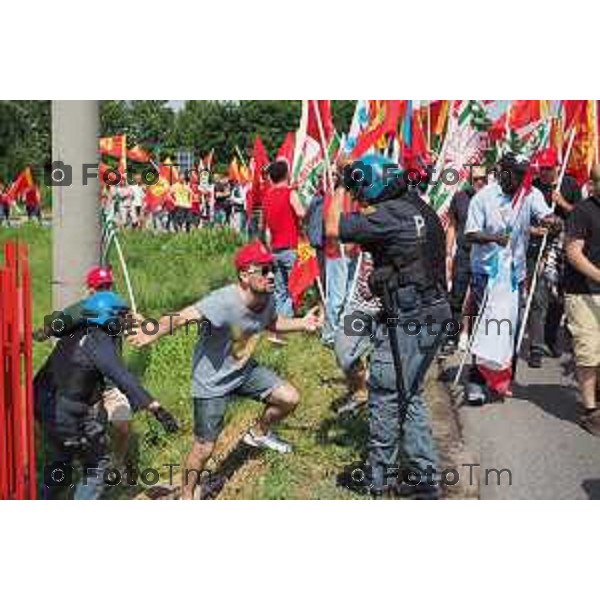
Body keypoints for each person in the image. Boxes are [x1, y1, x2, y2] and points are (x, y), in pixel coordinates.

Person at [127, 240, 323, 500]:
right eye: (263, 270)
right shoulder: (223, 301)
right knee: (204, 447)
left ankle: (258, 433)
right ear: (244, 275)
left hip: (243, 370)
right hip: (212, 382)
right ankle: (187, 496)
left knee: (289, 398)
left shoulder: (268, 295)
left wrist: (303, 323)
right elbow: (184, 316)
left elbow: (272, 322)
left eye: (272, 268)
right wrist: (152, 332)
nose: (272, 275)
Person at [326, 154, 451, 499]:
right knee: (408, 393)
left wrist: (339, 183)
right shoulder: (418, 208)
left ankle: (379, 479)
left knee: (384, 393)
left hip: (409, 320)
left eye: (361, 190)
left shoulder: (389, 215)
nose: (361, 198)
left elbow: (333, 228)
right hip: (433, 314)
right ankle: (425, 479)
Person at [34, 291, 179, 500]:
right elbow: (122, 376)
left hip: (44, 405)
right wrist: (157, 409)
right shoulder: (99, 340)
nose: (124, 321)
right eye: (121, 316)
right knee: (98, 465)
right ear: (109, 316)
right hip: (68, 412)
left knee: (62, 463)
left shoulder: (76, 331)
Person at [464, 153, 560, 404]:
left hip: (514, 274)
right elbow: (471, 234)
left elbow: (545, 215)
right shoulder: (483, 198)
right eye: (517, 174)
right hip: (486, 272)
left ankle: (503, 377)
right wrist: (494, 239)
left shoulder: (529, 194)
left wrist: (553, 221)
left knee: (510, 327)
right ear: (503, 173)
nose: (521, 180)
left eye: (524, 175)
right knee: (486, 324)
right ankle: (476, 379)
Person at [527, 148, 581, 367]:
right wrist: (534, 230)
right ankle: (536, 347)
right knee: (538, 297)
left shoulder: (569, 185)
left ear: (557, 167)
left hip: (563, 249)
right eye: (541, 169)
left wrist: (563, 203)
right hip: (539, 248)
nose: (544, 173)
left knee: (558, 297)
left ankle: (551, 338)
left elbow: (581, 215)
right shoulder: (534, 187)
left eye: (548, 169)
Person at [564, 164, 600, 435]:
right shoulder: (582, 211)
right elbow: (574, 253)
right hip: (584, 291)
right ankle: (590, 410)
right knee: (588, 350)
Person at [444, 165, 488, 352]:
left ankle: (474, 336)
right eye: (476, 178)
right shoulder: (460, 198)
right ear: (469, 179)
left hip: (483, 255)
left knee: (479, 298)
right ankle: (451, 338)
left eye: (483, 178)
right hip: (463, 253)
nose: (479, 182)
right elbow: (452, 225)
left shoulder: (491, 199)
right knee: (457, 296)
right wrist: (448, 253)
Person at [262, 160, 306, 343]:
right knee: (293, 288)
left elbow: (266, 229)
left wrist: (269, 249)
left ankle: (275, 327)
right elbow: (301, 212)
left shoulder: (267, 197)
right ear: (287, 174)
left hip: (275, 249)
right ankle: (281, 331)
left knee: (279, 290)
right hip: (290, 247)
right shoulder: (290, 193)